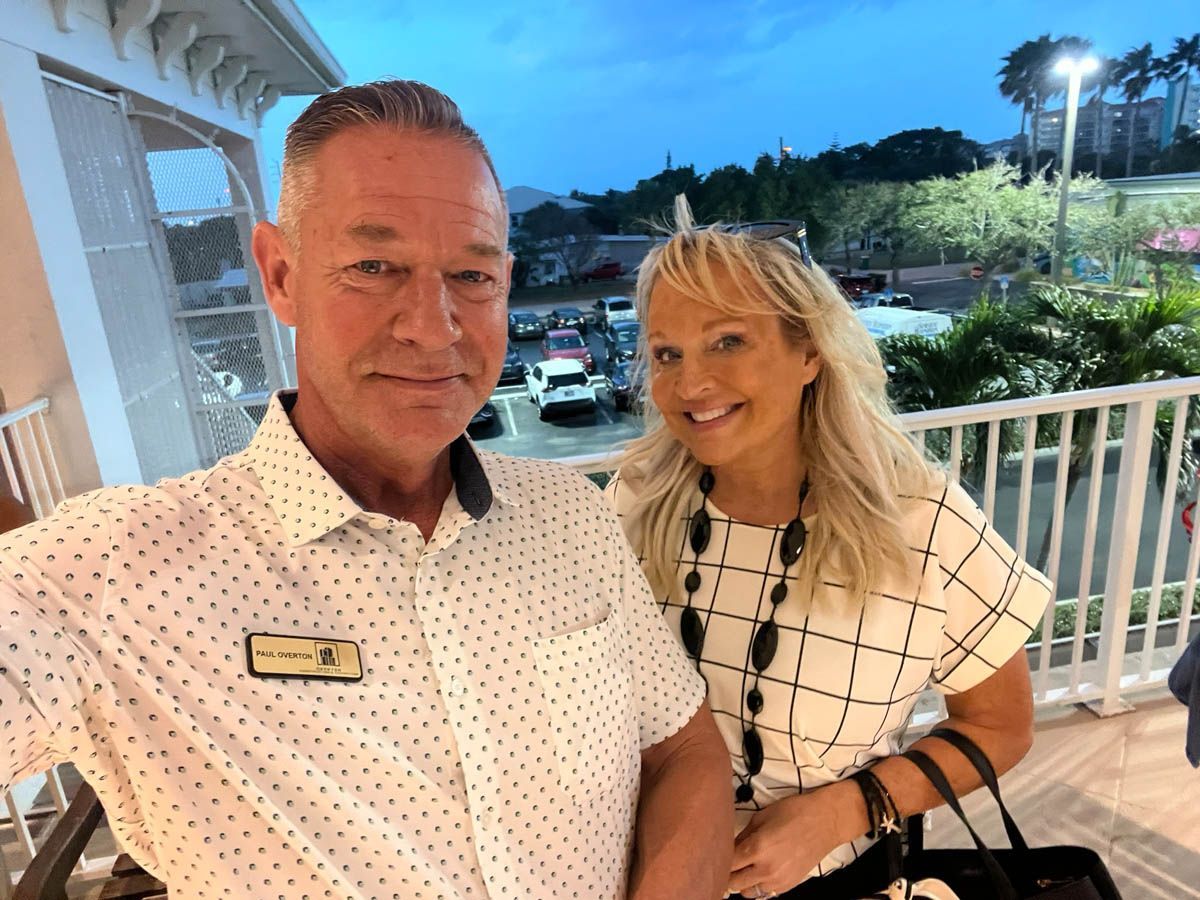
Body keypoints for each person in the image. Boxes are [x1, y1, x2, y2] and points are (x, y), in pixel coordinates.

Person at [0, 82, 734, 900]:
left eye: (470, 274)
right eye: (374, 266)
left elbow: (681, 747)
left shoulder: (567, 514)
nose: (432, 325)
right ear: (281, 276)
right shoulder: (115, 574)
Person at [605, 196, 1053, 899]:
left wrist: (840, 811)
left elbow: (1000, 727)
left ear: (809, 350)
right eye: (667, 353)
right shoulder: (633, 502)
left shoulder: (920, 523)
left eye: (728, 341)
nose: (690, 384)